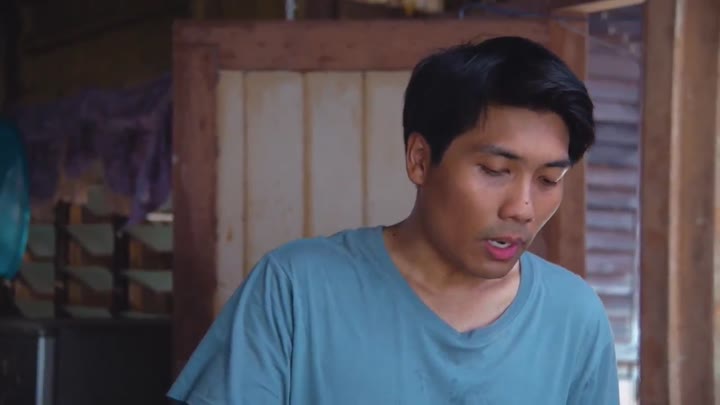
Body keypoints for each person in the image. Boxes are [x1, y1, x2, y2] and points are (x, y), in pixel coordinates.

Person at [168, 36, 620, 405]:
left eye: (548, 179)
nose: (522, 208)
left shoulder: (573, 316)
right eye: (495, 170)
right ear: (420, 159)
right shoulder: (295, 290)